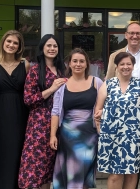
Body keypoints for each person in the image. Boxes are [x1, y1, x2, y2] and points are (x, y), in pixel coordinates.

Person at [95, 52, 140, 189]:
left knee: (132, 173)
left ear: (133, 66)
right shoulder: (107, 84)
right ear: (116, 66)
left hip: (134, 137)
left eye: (129, 64)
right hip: (112, 137)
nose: (125, 67)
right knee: (116, 174)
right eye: (122, 64)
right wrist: (100, 130)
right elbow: (98, 111)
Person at [50, 48, 103, 189]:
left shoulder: (96, 82)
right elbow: (55, 111)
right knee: (69, 171)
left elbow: (106, 104)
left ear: (87, 64)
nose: (78, 64)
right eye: (75, 61)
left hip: (90, 135)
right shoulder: (62, 85)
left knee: (84, 171)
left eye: (81, 61)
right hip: (67, 136)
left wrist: (102, 111)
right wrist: (52, 135)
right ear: (69, 64)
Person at [18, 34, 66, 189]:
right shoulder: (35, 70)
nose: (52, 49)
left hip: (59, 120)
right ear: (42, 48)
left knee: (50, 168)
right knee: (35, 166)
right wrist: (51, 89)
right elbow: (28, 99)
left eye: (55, 46)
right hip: (39, 123)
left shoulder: (62, 70)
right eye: (49, 45)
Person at [0, 30, 30, 189]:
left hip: (20, 113)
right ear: (3, 43)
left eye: (15, 43)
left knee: (18, 150)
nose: (11, 45)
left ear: (19, 47)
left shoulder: (25, 64)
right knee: (1, 150)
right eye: (9, 42)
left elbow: (29, 90)